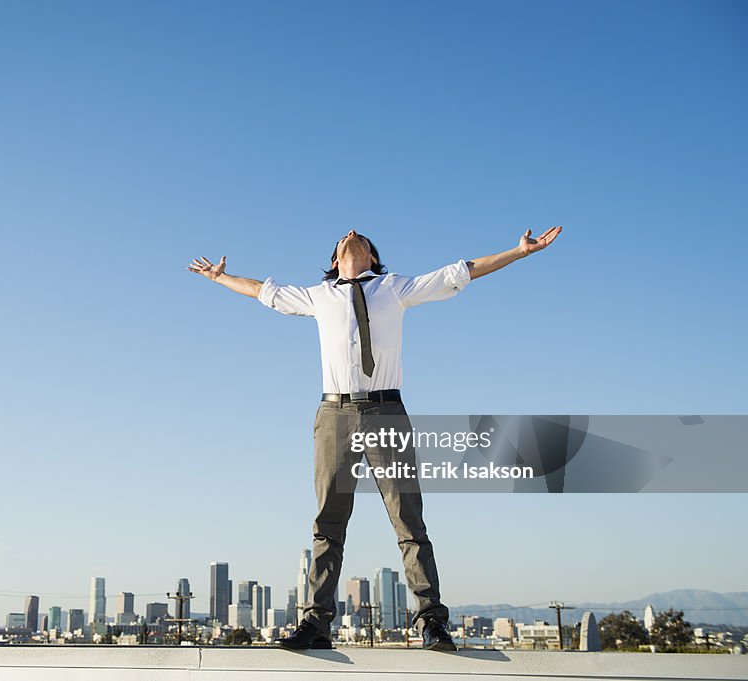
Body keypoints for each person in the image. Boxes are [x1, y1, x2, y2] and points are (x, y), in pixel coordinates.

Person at [187, 226, 562, 650]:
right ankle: (316, 625)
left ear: (372, 258)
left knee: (408, 519)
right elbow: (261, 290)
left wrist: (518, 252)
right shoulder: (317, 296)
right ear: (335, 261)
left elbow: (465, 270)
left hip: (387, 412)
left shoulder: (395, 288)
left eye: (360, 236)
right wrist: (219, 278)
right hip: (335, 414)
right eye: (344, 237)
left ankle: (431, 622)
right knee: (328, 521)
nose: (350, 233)